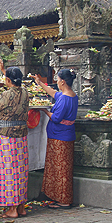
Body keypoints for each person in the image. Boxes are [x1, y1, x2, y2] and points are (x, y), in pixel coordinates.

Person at [0, 58, 30, 218]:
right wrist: (3, 68)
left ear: (7, 80)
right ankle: (21, 206)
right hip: (21, 134)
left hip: (6, 136)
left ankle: (11, 208)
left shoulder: (6, 94)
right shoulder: (25, 92)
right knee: (20, 169)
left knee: (7, 170)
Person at [32, 69, 78, 209]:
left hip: (60, 137)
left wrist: (44, 109)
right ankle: (61, 197)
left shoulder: (64, 99)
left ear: (63, 81)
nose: (57, 82)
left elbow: (57, 118)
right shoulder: (71, 95)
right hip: (65, 135)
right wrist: (40, 83)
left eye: (57, 80)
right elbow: (53, 93)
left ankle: (64, 200)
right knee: (63, 167)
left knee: (60, 169)